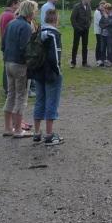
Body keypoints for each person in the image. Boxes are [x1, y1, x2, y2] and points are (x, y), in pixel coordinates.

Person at [3, 0, 37, 139]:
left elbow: (3, 44)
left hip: (8, 63)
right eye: (35, 10)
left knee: (11, 95)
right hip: (20, 65)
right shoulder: (25, 26)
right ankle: (18, 129)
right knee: (21, 97)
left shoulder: (11, 23)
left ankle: (7, 128)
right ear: (30, 12)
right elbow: (26, 49)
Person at [31, 8, 64, 145]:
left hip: (38, 71)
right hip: (50, 73)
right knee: (52, 102)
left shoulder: (38, 32)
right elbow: (55, 55)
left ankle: (37, 133)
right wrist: (58, 71)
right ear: (56, 19)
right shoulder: (53, 34)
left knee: (40, 100)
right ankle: (50, 135)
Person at [0, 0, 19, 94]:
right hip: (9, 44)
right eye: (18, 4)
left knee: (6, 66)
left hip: (4, 43)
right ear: (13, 4)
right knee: (10, 67)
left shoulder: (3, 14)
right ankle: (9, 88)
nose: (19, 6)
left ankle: (6, 87)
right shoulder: (11, 15)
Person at [69, 0, 92, 68]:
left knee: (85, 46)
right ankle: (73, 62)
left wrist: (88, 25)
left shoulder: (88, 6)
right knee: (75, 45)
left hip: (86, 30)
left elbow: (90, 17)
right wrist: (77, 28)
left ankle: (84, 62)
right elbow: (72, 19)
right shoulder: (77, 6)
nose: (89, 0)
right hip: (78, 29)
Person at [101, 3, 112, 67]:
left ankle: (110, 61)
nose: (107, 10)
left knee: (110, 49)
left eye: (109, 8)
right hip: (103, 35)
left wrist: (106, 20)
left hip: (110, 35)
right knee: (102, 48)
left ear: (111, 9)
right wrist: (106, 25)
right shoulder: (103, 15)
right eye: (105, 8)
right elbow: (100, 24)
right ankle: (103, 60)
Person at [94, 0, 105, 67]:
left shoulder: (103, 12)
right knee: (99, 44)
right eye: (101, 5)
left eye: (104, 6)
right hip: (98, 31)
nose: (102, 7)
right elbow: (99, 22)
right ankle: (98, 59)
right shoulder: (97, 12)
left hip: (103, 31)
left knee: (101, 45)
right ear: (99, 5)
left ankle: (101, 59)